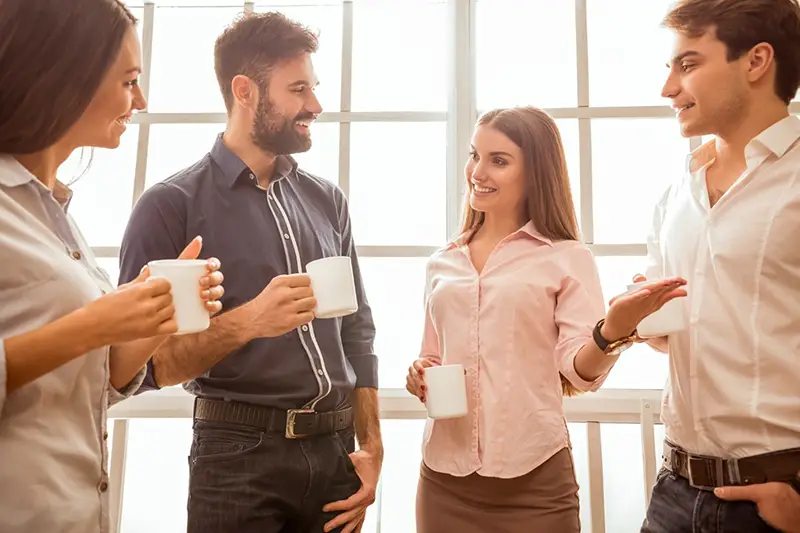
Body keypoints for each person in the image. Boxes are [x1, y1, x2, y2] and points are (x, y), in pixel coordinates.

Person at [118, 11, 381, 533]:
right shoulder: (169, 207)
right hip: (236, 460)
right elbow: (141, 371)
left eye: (314, 87)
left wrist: (372, 445)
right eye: (298, 88)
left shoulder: (327, 200)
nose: (315, 105)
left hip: (336, 457)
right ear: (245, 90)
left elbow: (358, 331)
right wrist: (249, 321)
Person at [405, 106, 688, 533]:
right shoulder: (443, 262)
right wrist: (419, 374)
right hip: (444, 480)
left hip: (535, 483)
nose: (477, 172)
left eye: (498, 160)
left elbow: (580, 372)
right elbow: (432, 356)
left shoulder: (565, 257)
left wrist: (613, 330)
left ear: (535, 172)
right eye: (474, 155)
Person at [0, 1, 224, 532]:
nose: (140, 100)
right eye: (129, 81)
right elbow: (72, 340)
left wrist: (148, 322)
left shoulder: (56, 216)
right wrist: (92, 325)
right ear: (64, 77)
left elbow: (88, 383)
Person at [639, 1, 800, 532]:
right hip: (673, 491)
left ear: (756, 61)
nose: (668, 88)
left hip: (775, 502)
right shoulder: (674, 195)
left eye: (687, 64)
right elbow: (670, 327)